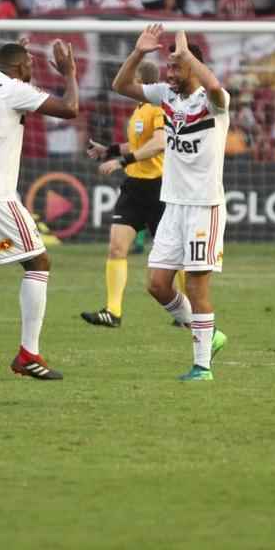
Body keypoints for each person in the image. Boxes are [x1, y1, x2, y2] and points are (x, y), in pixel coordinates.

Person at [0, 40, 79, 381]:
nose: (32, 71)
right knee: (38, 262)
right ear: (20, 68)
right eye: (30, 66)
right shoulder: (13, 89)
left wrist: (18, 60)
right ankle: (28, 354)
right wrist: (68, 73)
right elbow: (70, 108)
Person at [111, 24, 230, 382]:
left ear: (193, 66)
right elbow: (120, 87)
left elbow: (213, 88)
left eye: (176, 67)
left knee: (196, 285)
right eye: (169, 68)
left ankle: (202, 366)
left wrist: (188, 56)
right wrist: (138, 54)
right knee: (157, 284)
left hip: (204, 205)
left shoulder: (214, 102)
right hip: (174, 204)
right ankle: (211, 334)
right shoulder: (167, 95)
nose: (170, 73)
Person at [80, 61, 170, 328]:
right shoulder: (140, 109)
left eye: (132, 78)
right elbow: (138, 144)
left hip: (159, 188)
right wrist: (108, 151)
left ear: (142, 83)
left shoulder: (158, 107)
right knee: (117, 247)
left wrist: (122, 161)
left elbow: (159, 143)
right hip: (135, 187)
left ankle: (188, 311)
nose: (126, 82)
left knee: (172, 256)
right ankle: (113, 311)